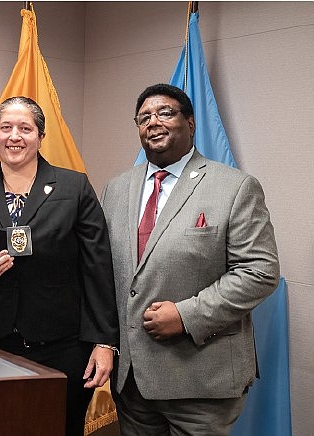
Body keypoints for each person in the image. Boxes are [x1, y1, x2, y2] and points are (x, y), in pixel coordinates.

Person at [0, 96, 119, 435]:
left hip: (58, 347)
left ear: (40, 136)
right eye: (6, 128)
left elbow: (98, 268)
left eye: (25, 128)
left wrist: (104, 343)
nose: (14, 136)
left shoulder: (74, 187)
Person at [101, 83, 280, 435]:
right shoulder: (116, 188)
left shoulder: (234, 187)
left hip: (201, 380)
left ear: (191, 123)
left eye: (165, 113)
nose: (153, 122)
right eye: (144, 117)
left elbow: (259, 271)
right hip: (133, 382)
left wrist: (187, 315)